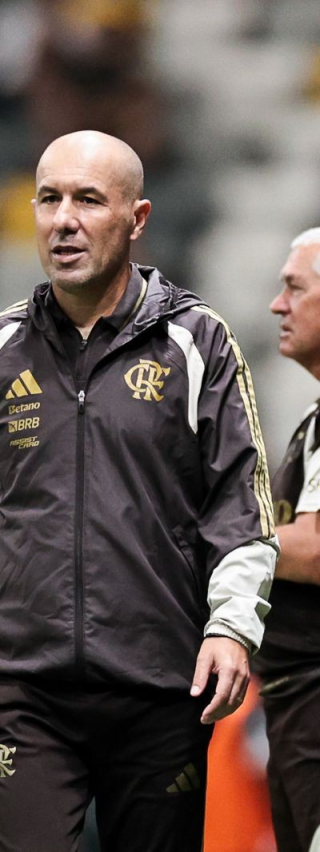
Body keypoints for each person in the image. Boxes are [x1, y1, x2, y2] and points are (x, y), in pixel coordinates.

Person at [0, 130, 276, 852]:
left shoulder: (198, 343)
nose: (64, 219)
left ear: (138, 217)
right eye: (49, 199)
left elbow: (239, 507)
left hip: (159, 686)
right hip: (22, 688)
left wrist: (230, 627)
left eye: (89, 200)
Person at [259, 227, 320, 852]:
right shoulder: (315, 419)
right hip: (296, 705)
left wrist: (218, 538)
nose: (278, 304)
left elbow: (318, 549)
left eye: (294, 287)